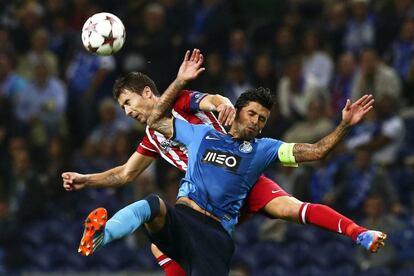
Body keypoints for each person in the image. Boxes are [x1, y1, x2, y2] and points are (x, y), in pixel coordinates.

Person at [68, 49, 386, 275]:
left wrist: (220, 103)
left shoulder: (182, 102)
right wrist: (87, 179)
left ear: (148, 93)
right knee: (157, 238)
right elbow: (125, 173)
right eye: (122, 107)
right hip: (205, 202)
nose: (127, 112)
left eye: (128, 102)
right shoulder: (154, 137)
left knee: (291, 209)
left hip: (241, 173)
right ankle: (100, 236)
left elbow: (214, 100)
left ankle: (359, 232)